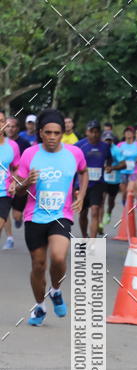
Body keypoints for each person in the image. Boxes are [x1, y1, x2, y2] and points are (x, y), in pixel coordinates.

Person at [13, 108, 87, 326]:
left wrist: (81, 195)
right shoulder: (30, 154)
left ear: (63, 133)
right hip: (34, 216)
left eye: (57, 133)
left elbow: (83, 172)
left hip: (60, 215)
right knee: (38, 264)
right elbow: (15, 189)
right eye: (48, 133)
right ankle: (40, 306)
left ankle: (55, 291)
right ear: (40, 133)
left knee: (58, 257)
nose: (52, 137)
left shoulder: (74, 153)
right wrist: (26, 183)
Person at [75, 120, 110, 237]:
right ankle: (85, 237)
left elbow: (109, 159)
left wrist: (109, 166)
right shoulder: (79, 146)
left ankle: (93, 243)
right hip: (82, 185)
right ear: (86, 132)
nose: (94, 134)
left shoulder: (105, 146)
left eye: (96, 132)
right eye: (91, 132)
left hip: (98, 184)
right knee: (83, 213)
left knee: (95, 211)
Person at [4, 117, 31, 232]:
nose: (10, 129)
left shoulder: (24, 143)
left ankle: (18, 217)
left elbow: (30, 160)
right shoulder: (2, 143)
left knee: (17, 215)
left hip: (20, 180)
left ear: (18, 128)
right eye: (8, 126)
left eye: (13, 126)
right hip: (5, 182)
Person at [0, 110, 21, 250]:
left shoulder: (12, 146)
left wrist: (14, 182)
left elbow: (16, 168)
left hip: (4, 193)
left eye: (1, 121)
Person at [101, 130, 121, 230]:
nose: (107, 142)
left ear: (112, 140)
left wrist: (112, 168)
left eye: (109, 140)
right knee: (101, 201)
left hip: (114, 180)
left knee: (111, 201)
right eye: (106, 140)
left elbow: (124, 164)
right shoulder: (100, 148)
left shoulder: (117, 150)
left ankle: (108, 212)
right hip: (103, 179)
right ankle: (100, 223)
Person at [115, 126, 137, 204]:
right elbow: (115, 155)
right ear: (124, 134)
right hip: (122, 171)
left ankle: (133, 201)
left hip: (134, 170)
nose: (128, 133)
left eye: (130, 132)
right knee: (124, 192)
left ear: (133, 134)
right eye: (126, 132)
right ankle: (125, 203)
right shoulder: (120, 145)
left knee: (130, 188)